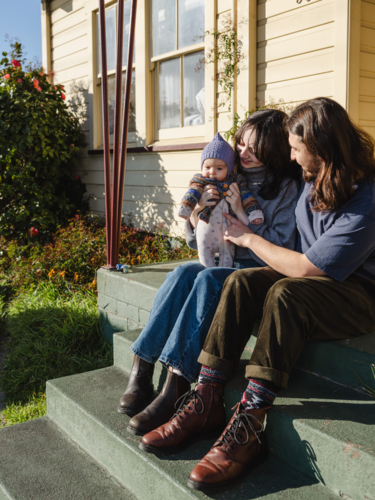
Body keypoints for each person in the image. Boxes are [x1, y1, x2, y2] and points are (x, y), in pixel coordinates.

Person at [138, 97, 375, 493]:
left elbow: (306, 269)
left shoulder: (367, 199)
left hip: (357, 293)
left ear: (321, 147)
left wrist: (246, 236)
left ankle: (250, 420)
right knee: (239, 281)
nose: (293, 158)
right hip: (311, 277)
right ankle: (207, 398)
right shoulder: (312, 177)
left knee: (286, 293)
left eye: (297, 150)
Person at [118, 108, 301, 439]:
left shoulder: (286, 188)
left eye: (253, 148)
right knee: (180, 274)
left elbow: (284, 244)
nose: (242, 153)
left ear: (273, 149)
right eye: (240, 144)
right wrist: (198, 213)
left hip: (258, 268)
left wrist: (244, 221)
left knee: (205, 278)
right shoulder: (224, 174)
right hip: (223, 258)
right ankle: (142, 367)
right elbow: (196, 239)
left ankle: (175, 383)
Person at [178, 132, 264, 268]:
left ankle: (220, 273)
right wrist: (190, 208)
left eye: (219, 168)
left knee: (225, 260)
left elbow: (247, 197)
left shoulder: (236, 182)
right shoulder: (200, 181)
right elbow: (192, 194)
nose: (212, 172)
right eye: (207, 167)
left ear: (229, 169)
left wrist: (252, 212)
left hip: (229, 234)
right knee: (193, 268)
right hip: (205, 231)